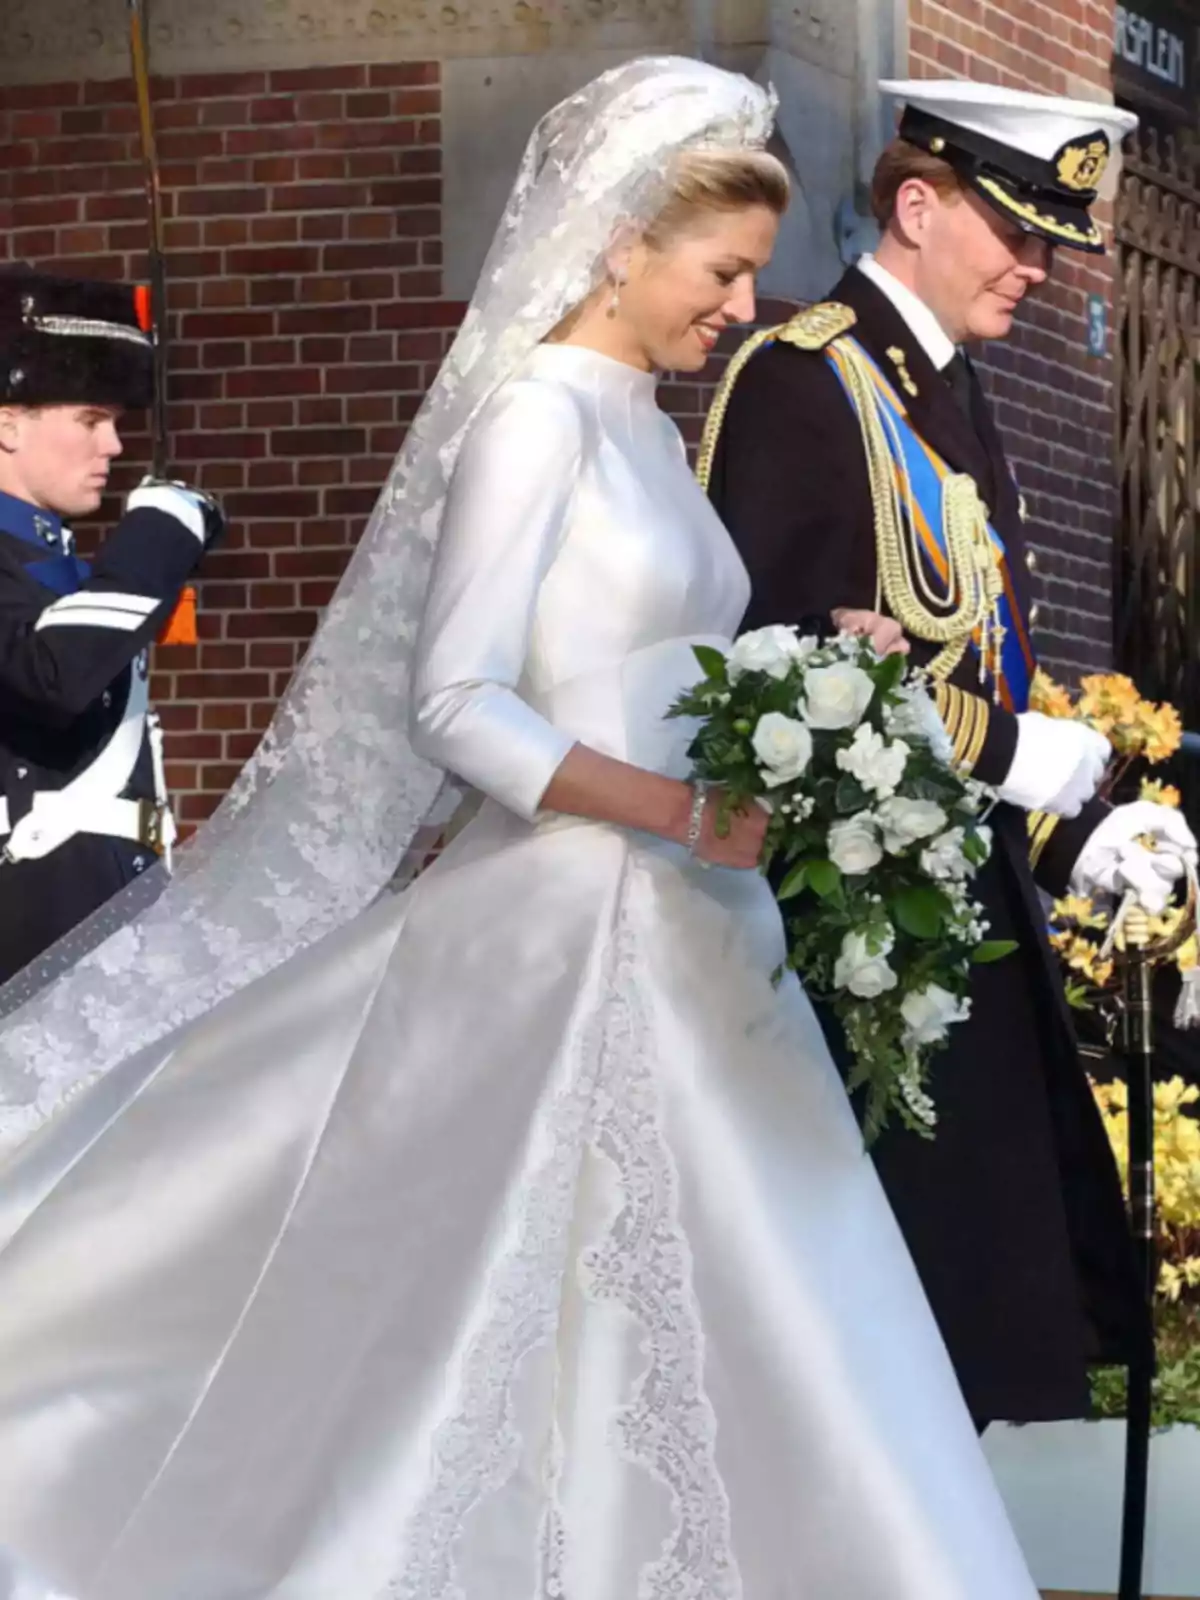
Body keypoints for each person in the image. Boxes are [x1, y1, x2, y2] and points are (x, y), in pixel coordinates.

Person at [0, 61, 1039, 1599]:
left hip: (696, 918)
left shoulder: (638, 420)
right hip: (575, 917)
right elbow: (459, 706)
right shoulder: (536, 422)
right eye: (723, 272)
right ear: (620, 241)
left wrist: (812, 667)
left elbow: (653, 657)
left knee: (768, 1301)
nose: (741, 310)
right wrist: (680, 807)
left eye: (753, 274)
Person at [703, 78, 1199, 1430]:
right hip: (861, 939)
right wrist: (1005, 756)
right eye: (1016, 231)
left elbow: (976, 661)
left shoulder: (952, 393)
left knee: (1003, 1337)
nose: (1037, 266)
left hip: (961, 918)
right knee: (922, 1347)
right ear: (917, 205)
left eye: (1049, 241)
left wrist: (1080, 827)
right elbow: (785, 653)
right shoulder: (805, 380)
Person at [0, 267, 223, 982]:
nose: (115, 448)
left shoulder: (53, 560)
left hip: (108, 908)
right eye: (91, 420)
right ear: (7, 422)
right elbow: (51, 674)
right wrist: (158, 539)